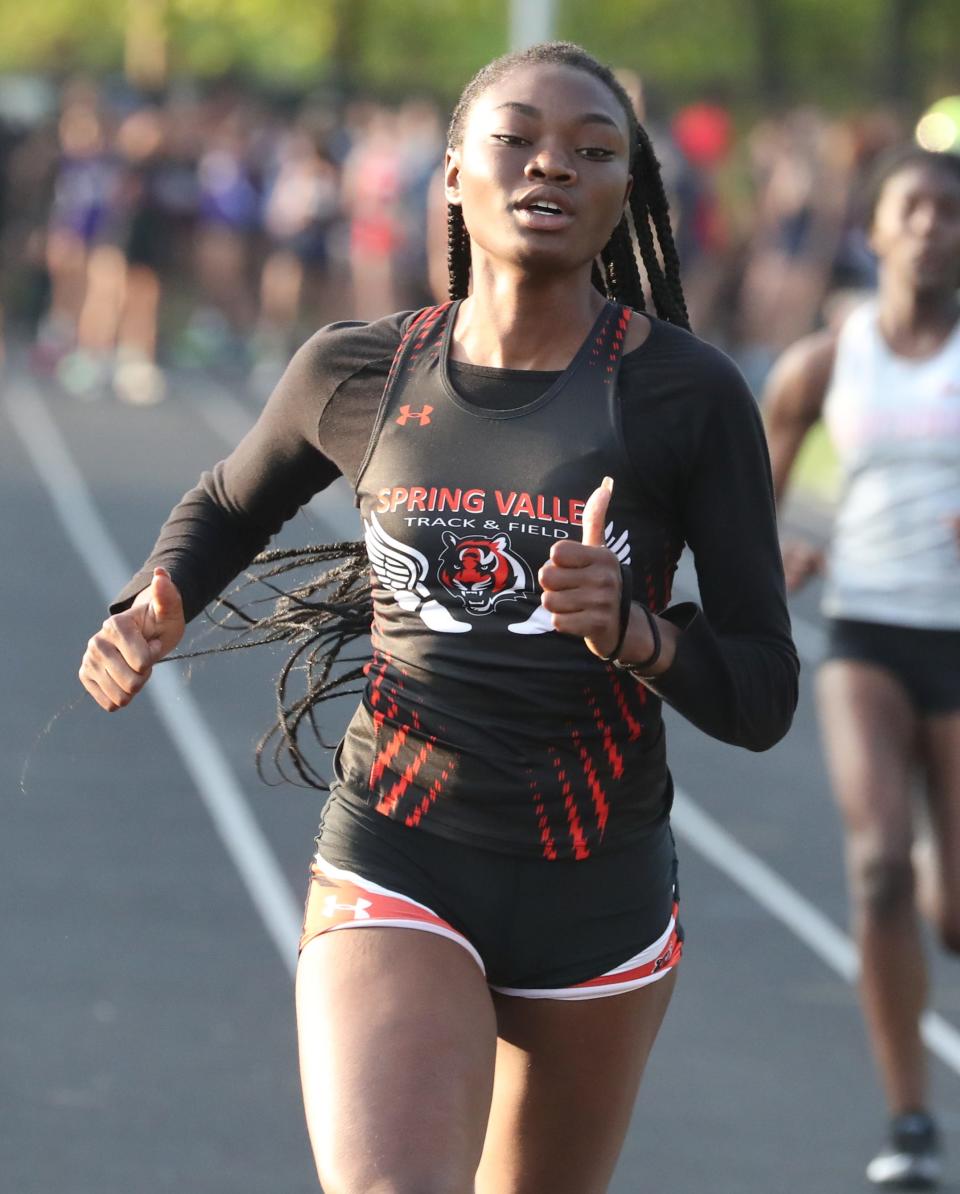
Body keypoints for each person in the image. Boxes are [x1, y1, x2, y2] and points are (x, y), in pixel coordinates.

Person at [79, 42, 798, 1194]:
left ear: (627, 192)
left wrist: (638, 633)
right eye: (515, 139)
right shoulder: (360, 371)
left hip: (596, 896)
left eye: (592, 150)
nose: (549, 167)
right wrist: (157, 596)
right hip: (397, 854)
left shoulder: (687, 395)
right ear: (452, 171)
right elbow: (226, 500)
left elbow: (764, 693)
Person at [763, 145, 960, 1189]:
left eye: (949, 211)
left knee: (952, 911)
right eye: (912, 209)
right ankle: (911, 1122)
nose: (931, 226)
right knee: (876, 861)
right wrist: (782, 550)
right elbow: (742, 506)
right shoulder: (826, 363)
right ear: (875, 231)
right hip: (867, 634)